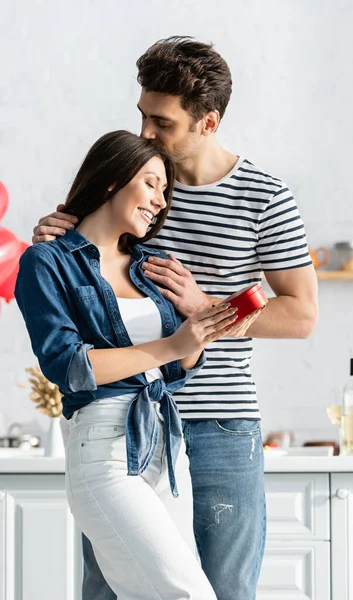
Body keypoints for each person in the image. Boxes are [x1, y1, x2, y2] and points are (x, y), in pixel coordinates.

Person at [32, 37, 318, 600]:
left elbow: (301, 314)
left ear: (207, 122)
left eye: (162, 122)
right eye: (142, 115)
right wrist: (54, 233)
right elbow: (81, 271)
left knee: (219, 590)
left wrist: (206, 310)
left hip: (217, 426)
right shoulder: (133, 181)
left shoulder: (264, 195)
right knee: (113, 590)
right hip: (119, 427)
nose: (145, 133)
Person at [16, 130, 259, 600]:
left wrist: (199, 332)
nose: (160, 199)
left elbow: (176, 367)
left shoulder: (151, 265)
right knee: (187, 593)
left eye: (164, 190)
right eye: (151, 183)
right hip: (104, 450)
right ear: (110, 180)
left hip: (167, 446)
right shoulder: (47, 262)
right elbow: (69, 366)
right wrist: (174, 345)